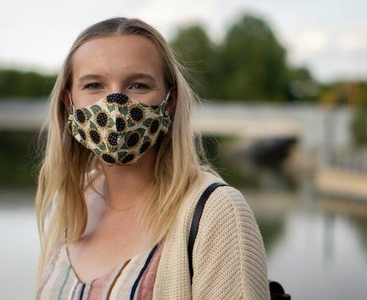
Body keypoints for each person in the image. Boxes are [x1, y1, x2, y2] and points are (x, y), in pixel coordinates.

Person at [35, 17, 269, 299]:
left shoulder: (216, 213)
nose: (115, 106)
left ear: (169, 102)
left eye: (138, 86)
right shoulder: (73, 202)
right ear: (68, 103)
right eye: (94, 85)